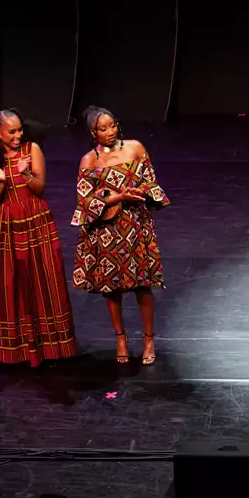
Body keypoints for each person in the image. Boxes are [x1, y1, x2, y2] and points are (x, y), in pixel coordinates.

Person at [0, 109, 77, 366]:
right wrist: (3, 179)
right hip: (5, 225)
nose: (18, 135)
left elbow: (39, 187)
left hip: (35, 220)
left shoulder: (32, 149)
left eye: (19, 130)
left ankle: (51, 348)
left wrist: (23, 173)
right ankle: (17, 350)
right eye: (11, 131)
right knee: (12, 284)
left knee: (44, 278)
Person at [72, 106, 169, 366]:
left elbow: (151, 182)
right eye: (103, 129)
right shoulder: (88, 161)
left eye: (112, 125)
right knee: (111, 288)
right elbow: (85, 201)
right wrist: (118, 197)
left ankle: (149, 339)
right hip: (106, 231)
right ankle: (121, 338)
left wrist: (142, 192)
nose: (109, 132)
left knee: (142, 285)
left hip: (136, 225)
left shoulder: (135, 148)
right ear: (93, 132)